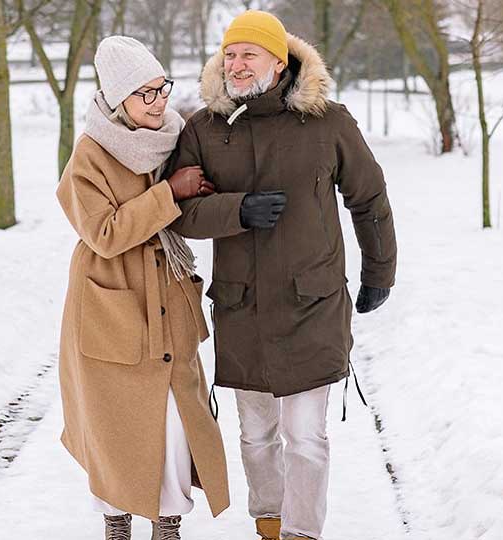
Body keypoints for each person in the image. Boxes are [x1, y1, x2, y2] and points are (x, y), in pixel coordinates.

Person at [164, 11, 398, 540]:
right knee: (255, 434)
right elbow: (179, 213)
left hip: (311, 303)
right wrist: (237, 210)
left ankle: (301, 532)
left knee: (306, 435)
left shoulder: (328, 122)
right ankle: (268, 522)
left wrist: (379, 270)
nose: (237, 64)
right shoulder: (204, 129)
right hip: (241, 307)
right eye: (230, 54)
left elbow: (369, 196)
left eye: (249, 54)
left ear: (279, 59)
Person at [56, 36, 229, 540]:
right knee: (117, 425)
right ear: (116, 99)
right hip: (110, 300)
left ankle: (167, 522)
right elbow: (104, 233)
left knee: (177, 419)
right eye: (144, 94)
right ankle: (117, 522)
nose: (158, 103)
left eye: (161, 90)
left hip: (167, 297)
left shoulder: (173, 139)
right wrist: (168, 193)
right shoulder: (89, 156)